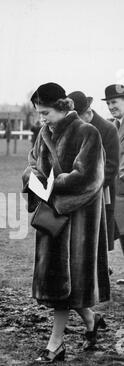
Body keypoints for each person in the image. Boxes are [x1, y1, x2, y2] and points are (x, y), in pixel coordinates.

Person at [22, 82, 110, 363]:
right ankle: (91, 319)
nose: (41, 119)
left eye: (45, 112)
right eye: (38, 113)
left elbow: (89, 178)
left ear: (62, 107)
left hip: (78, 220)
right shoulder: (43, 133)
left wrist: (53, 187)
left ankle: (56, 344)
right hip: (53, 219)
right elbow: (33, 164)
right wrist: (33, 179)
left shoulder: (87, 133)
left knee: (64, 283)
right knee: (62, 283)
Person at [68, 91, 120, 252]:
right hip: (77, 193)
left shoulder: (108, 129)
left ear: (88, 112)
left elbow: (111, 167)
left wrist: (89, 186)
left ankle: (101, 271)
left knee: (99, 238)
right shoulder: (76, 129)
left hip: (101, 195)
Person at [102, 84, 124, 283]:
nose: (111, 106)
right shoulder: (115, 125)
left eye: (114, 102)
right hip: (118, 189)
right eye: (108, 103)